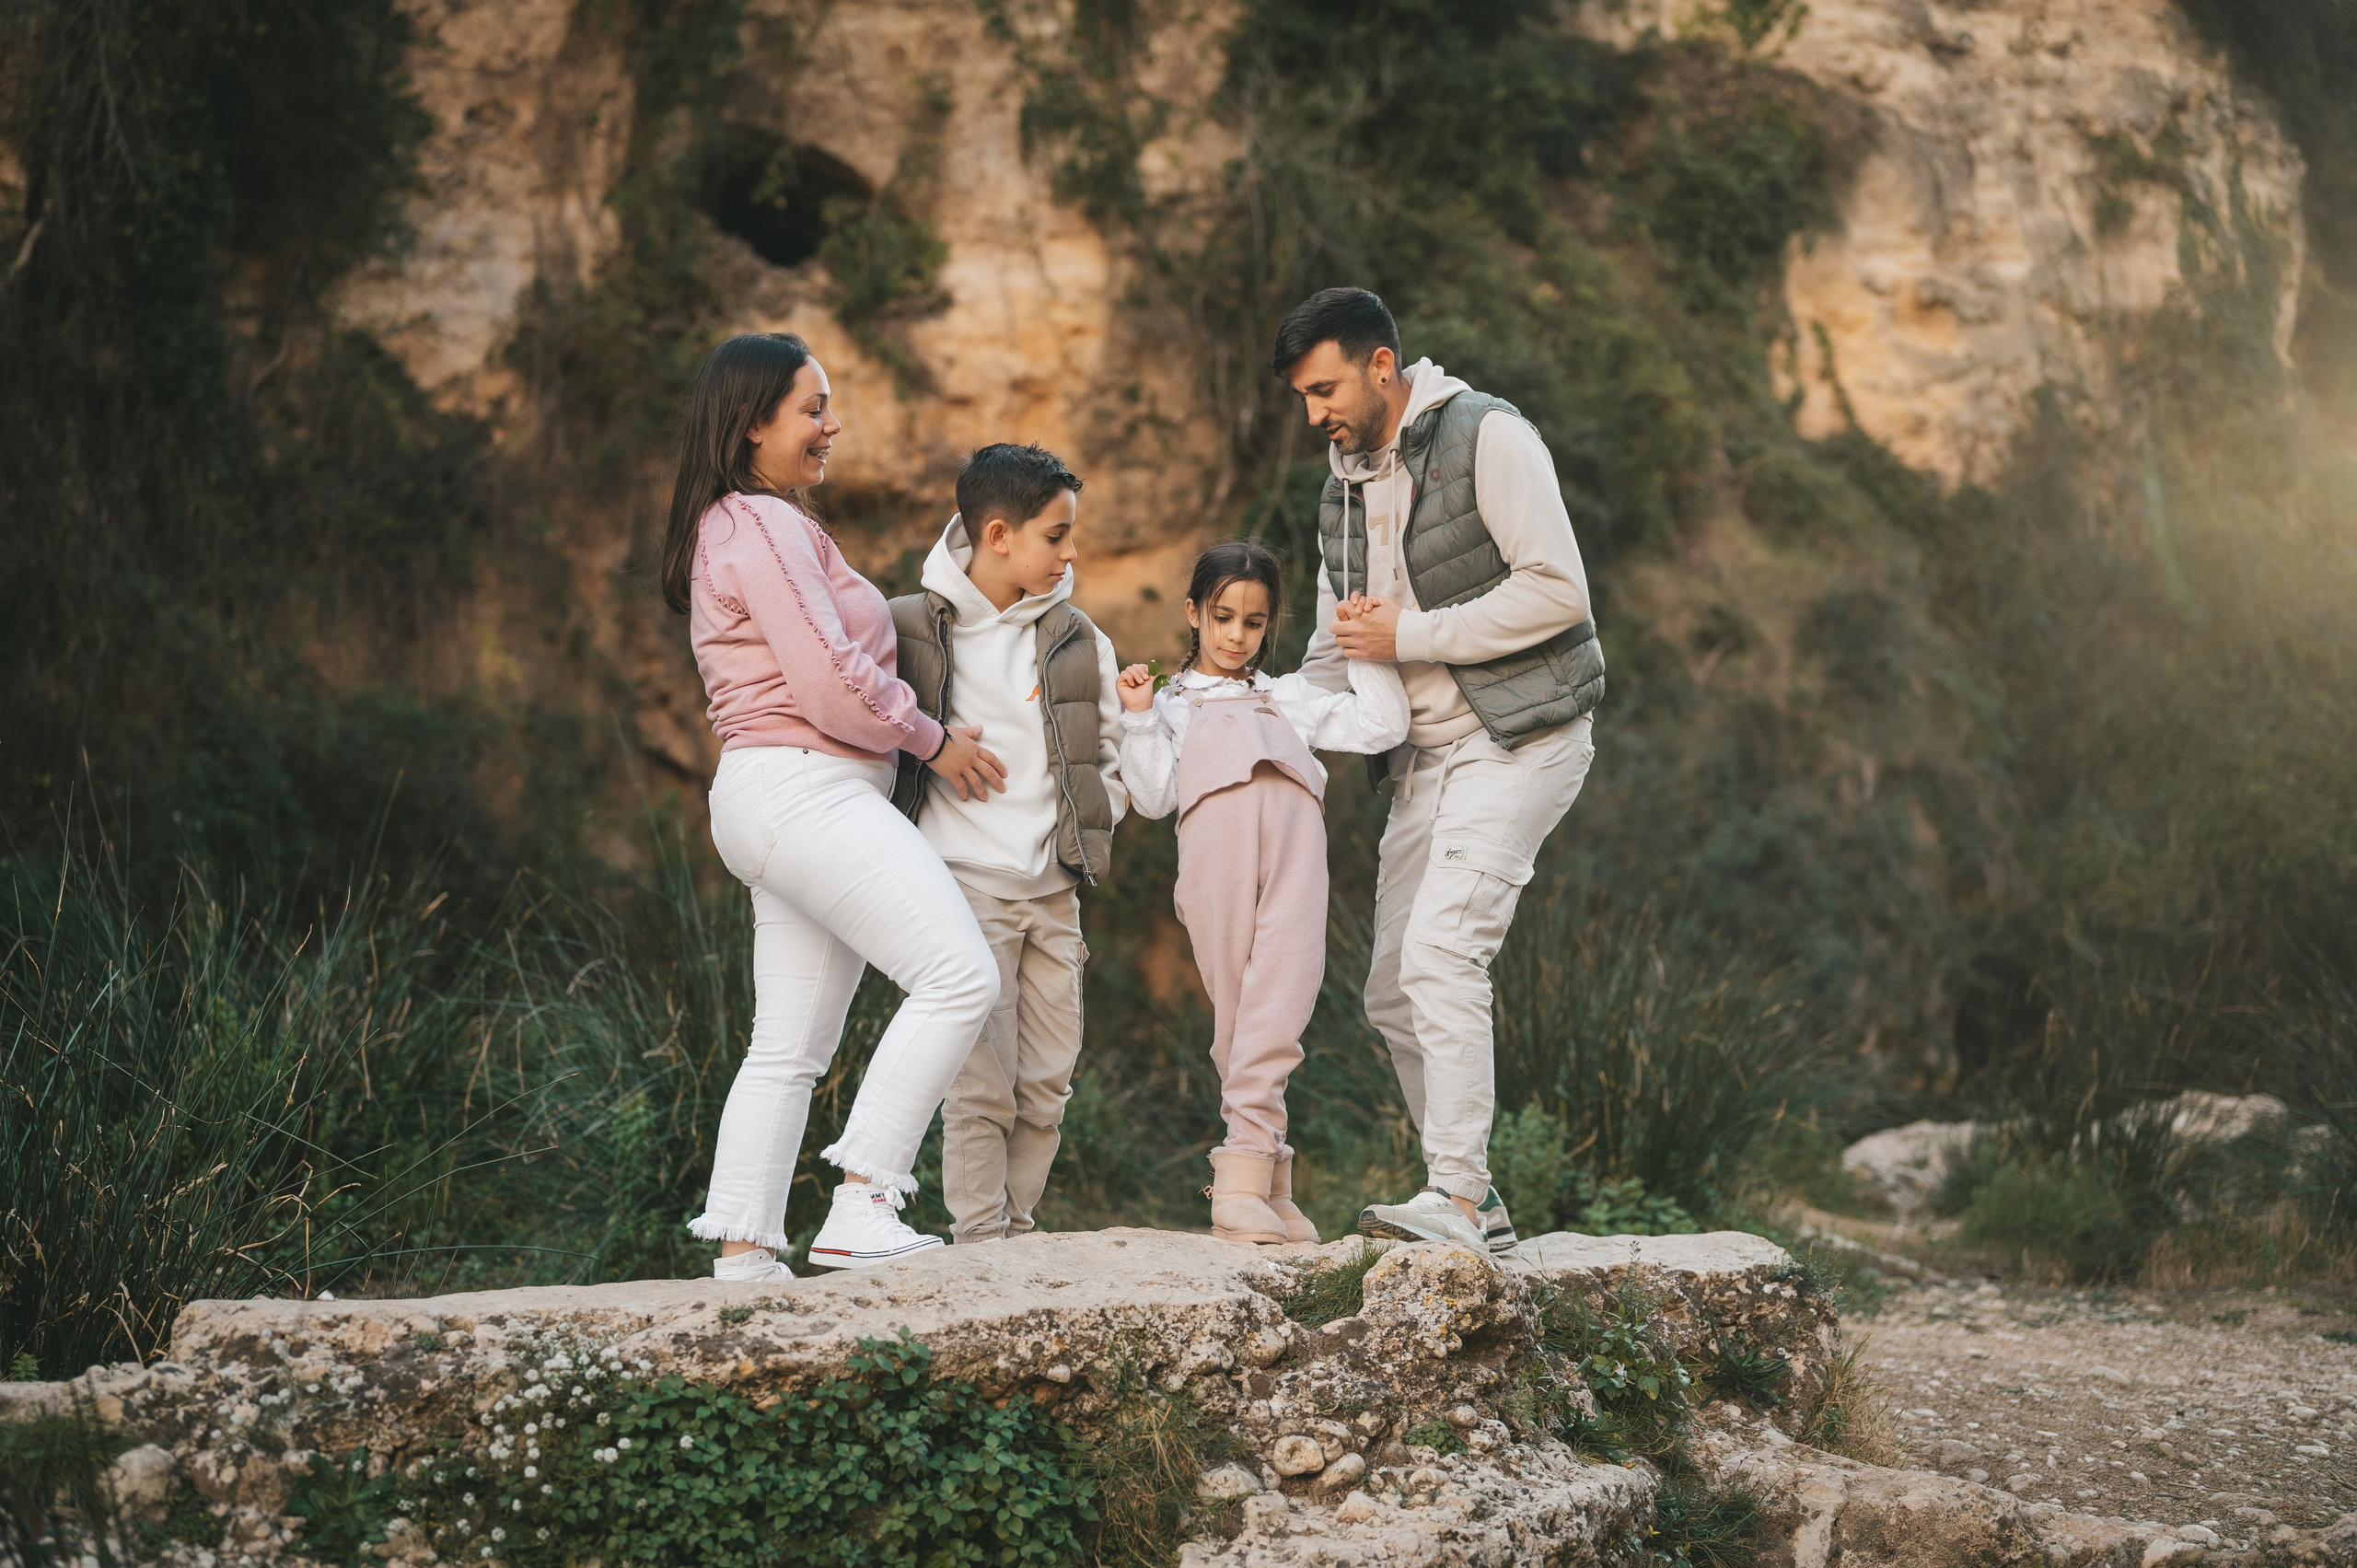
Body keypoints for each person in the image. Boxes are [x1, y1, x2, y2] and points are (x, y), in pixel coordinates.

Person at [660, 331, 1010, 1281]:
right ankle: (864, 1195)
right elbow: (826, 680)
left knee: (788, 1045)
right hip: (802, 786)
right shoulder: (759, 525)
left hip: (776, 795)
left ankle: (744, 1252)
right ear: (751, 426)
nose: (831, 424)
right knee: (957, 976)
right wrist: (936, 741)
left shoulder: (746, 526)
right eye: (811, 409)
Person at [1272, 287, 1606, 1255]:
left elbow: (1558, 588)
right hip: (1423, 756)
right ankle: (1480, 1201)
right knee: (1389, 986)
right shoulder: (1336, 484)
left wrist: (1411, 632)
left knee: (1441, 952)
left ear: (1383, 365)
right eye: (1301, 396)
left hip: (1520, 735)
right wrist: (1251, 711)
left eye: (1325, 387)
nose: (1314, 414)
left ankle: (1455, 1198)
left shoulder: (1489, 435)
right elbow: (1335, 649)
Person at [1116, 541, 1408, 1243]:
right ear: (1193, 613)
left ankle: (1254, 1180)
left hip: (1297, 853)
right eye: (1222, 617)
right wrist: (1133, 717)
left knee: (1283, 999)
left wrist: (1365, 649)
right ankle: (1254, 1180)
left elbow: (1384, 725)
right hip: (1215, 855)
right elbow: (1153, 797)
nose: (1236, 636)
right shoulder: (1170, 704)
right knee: (1241, 1018)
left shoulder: (1289, 695)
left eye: (1253, 623)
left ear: (1270, 625)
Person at [887, 443, 1128, 1246]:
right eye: (1056, 536)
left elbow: (1110, 751)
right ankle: (979, 1242)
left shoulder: (1078, 637)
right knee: (979, 1086)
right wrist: (927, 743)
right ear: (998, 535)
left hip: (1053, 891)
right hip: (962, 892)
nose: (1069, 552)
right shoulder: (909, 628)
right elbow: (864, 726)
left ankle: (1017, 1233)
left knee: (1049, 1082)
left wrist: (1102, 808)